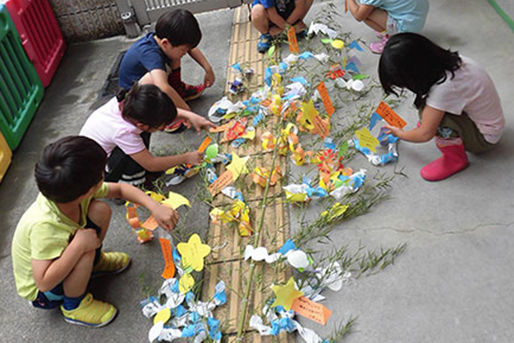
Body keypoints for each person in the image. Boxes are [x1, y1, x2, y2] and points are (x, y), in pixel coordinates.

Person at [11, 136, 179, 327]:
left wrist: (155, 207)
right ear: (88, 190)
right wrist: (78, 246)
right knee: (84, 248)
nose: (104, 175)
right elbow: (43, 282)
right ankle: (74, 306)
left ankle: (94, 264)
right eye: (101, 173)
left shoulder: (68, 192)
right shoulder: (45, 226)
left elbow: (121, 190)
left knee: (100, 210)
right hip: (44, 294)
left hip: (59, 260)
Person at [379, 33, 505, 181]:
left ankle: (455, 159)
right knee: (429, 112)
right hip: (491, 122)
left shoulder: (444, 90)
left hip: (485, 138)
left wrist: (400, 134)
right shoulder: (453, 63)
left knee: (435, 121)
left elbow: (425, 134)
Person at [80, 82, 212, 186]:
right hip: (100, 175)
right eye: (162, 127)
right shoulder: (123, 132)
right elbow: (151, 164)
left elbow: (158, 110)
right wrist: (186, 157)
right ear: (141, 125)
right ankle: (130, 183)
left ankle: (138, 170)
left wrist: (189, 115)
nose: (165, 128)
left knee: (139, 139)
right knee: (131, 152)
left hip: (99, 154)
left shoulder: (130, 103)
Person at [119, 9, 214, 132]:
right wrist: (189, 113)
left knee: (175, 56)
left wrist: (208, 69)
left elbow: (190, 47)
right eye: (183, 50)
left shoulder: (166, 39)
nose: (185, 53)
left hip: (149, 86)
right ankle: (163, 114)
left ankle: (178, 91)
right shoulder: (151, 54)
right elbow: (162, 86)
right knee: (158, 78)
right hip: (134, 99)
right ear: (165, 43)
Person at [347, 0, 429, 53]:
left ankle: (391, 38)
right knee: (370, 6)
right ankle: (388, 30)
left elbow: (359, 16)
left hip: (406, 28)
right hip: (416, 18)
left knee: (366, 14)